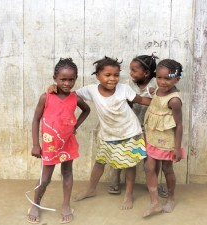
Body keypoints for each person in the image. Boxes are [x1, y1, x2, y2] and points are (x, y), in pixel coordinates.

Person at [50, 56, 151, 210]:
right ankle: (91, 189)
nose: (112, 79)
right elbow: (70, 95)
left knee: (130, 165)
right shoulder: (90, 90)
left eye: (116, 75)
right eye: (108, 75)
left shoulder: (124, 89)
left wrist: (163, 100)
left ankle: (129, 194)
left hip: (129, 132)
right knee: (99, 163)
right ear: (97, 76)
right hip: (108, 134)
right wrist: (54, 88)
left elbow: (141, 100)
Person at [27, 58, 90, 224]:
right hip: (50, 145)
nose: (67, 83)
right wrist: (35, 144)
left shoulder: (75, 98)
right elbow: (35, 120)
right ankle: (35, 204)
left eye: (71, 79)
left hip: (67, 142)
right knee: (45, 178)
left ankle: (65, 205)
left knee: (67, 173)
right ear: (55, 78)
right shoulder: (46, 97)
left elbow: (86, 110)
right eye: (63, 79)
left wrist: (75, 125)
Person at [108, 54, 168, 198]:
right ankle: (115, 179)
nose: (131, 73)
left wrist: (156, 94)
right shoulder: (129, 84)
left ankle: (152, 183)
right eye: (131, 70)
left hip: (151, 127)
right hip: (129, 126)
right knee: (123, 153)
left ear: (146, 73)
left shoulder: (157, 83)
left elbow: (166, 100)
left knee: (152, 158)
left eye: (134, 70)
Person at [142, 59, 185, 218]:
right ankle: (155, 203)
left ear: (177, 79)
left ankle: (171, 197)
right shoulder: (157, 91)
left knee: (167, 169)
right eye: (159, 78)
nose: (162, 82)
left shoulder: (174, 100)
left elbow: (179, 125)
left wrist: (177, 148)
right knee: (148, 168)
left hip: (167, 141)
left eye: (167, 78)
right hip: (152, 137)